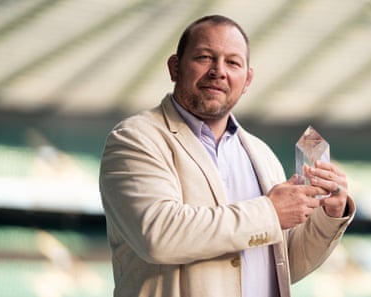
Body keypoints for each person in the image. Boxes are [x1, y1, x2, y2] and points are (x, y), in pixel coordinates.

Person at [99, 14, 355, 297]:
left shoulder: (261, 154)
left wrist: (330, 215)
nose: (218, 71)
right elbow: (158, 236)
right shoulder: (135, 138)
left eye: (233, 62)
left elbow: (283, 264)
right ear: (175, 67)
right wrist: (270, 212)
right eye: (204, 57)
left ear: (247, 79)